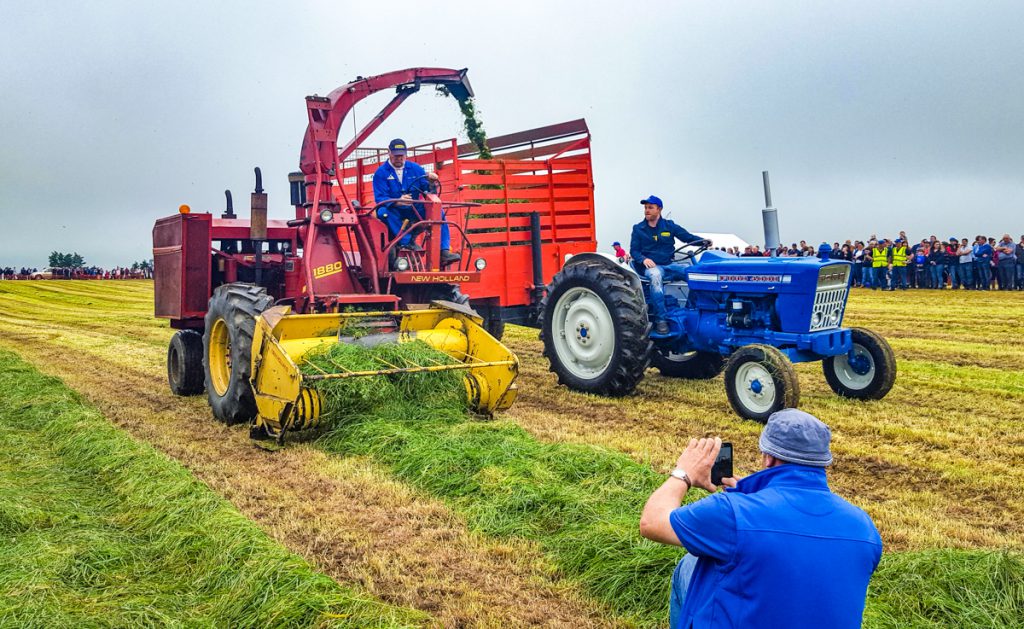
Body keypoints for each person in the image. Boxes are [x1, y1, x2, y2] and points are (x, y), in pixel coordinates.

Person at [639, 409, 882, 629]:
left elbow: (652, 522)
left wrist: (683, 474)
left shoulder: (730, 512)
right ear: (823, 462)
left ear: (768, 458)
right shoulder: (864, 528)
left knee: (690, 565)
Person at [373, 138, 460, 265]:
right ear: (389, 153)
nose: (399, 158)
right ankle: (406, 242)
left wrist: (431, 182)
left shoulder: (416, 169)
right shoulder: (380, 173)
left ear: (405, 154)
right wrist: (397, 201)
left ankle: (443, 251)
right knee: (382, 212)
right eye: (396, 155)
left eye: (402, 155)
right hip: (394, 210)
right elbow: (380, 197)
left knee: (438, 212)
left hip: (413, 209)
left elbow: (429, 191)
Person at [629, 195, 706, 335]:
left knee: (693, 273)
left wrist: (704, 241)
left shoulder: (669, 226)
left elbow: (687, 237)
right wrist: (643, 259)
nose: (647, 210)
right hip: (651, 268)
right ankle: (661, 320)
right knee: (655, 276)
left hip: (669, 265)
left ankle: (692, 308)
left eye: (650, 207)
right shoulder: (638, 228)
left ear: (659, 209)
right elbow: (634, 250)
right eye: (645, 208)